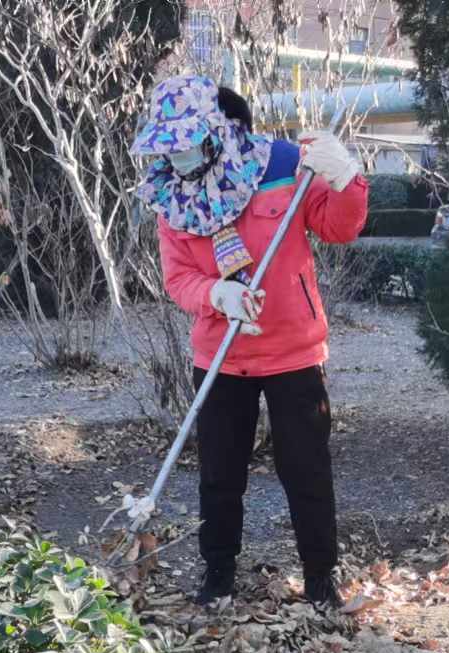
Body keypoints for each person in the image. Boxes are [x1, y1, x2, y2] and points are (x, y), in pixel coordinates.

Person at [133, 75, 369, 608]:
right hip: (221, 356)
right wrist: (217, 294)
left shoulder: (282, 164)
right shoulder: (170, 194)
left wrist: (346, 180)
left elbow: (338, 228)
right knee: (219, 473)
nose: (178, 156)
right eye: (170, 146)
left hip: (293, 352)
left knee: (306, 470)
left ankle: (320, 578)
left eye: (188, 143)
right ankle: (217, 573)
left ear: (215, 129)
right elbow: (178, 278)